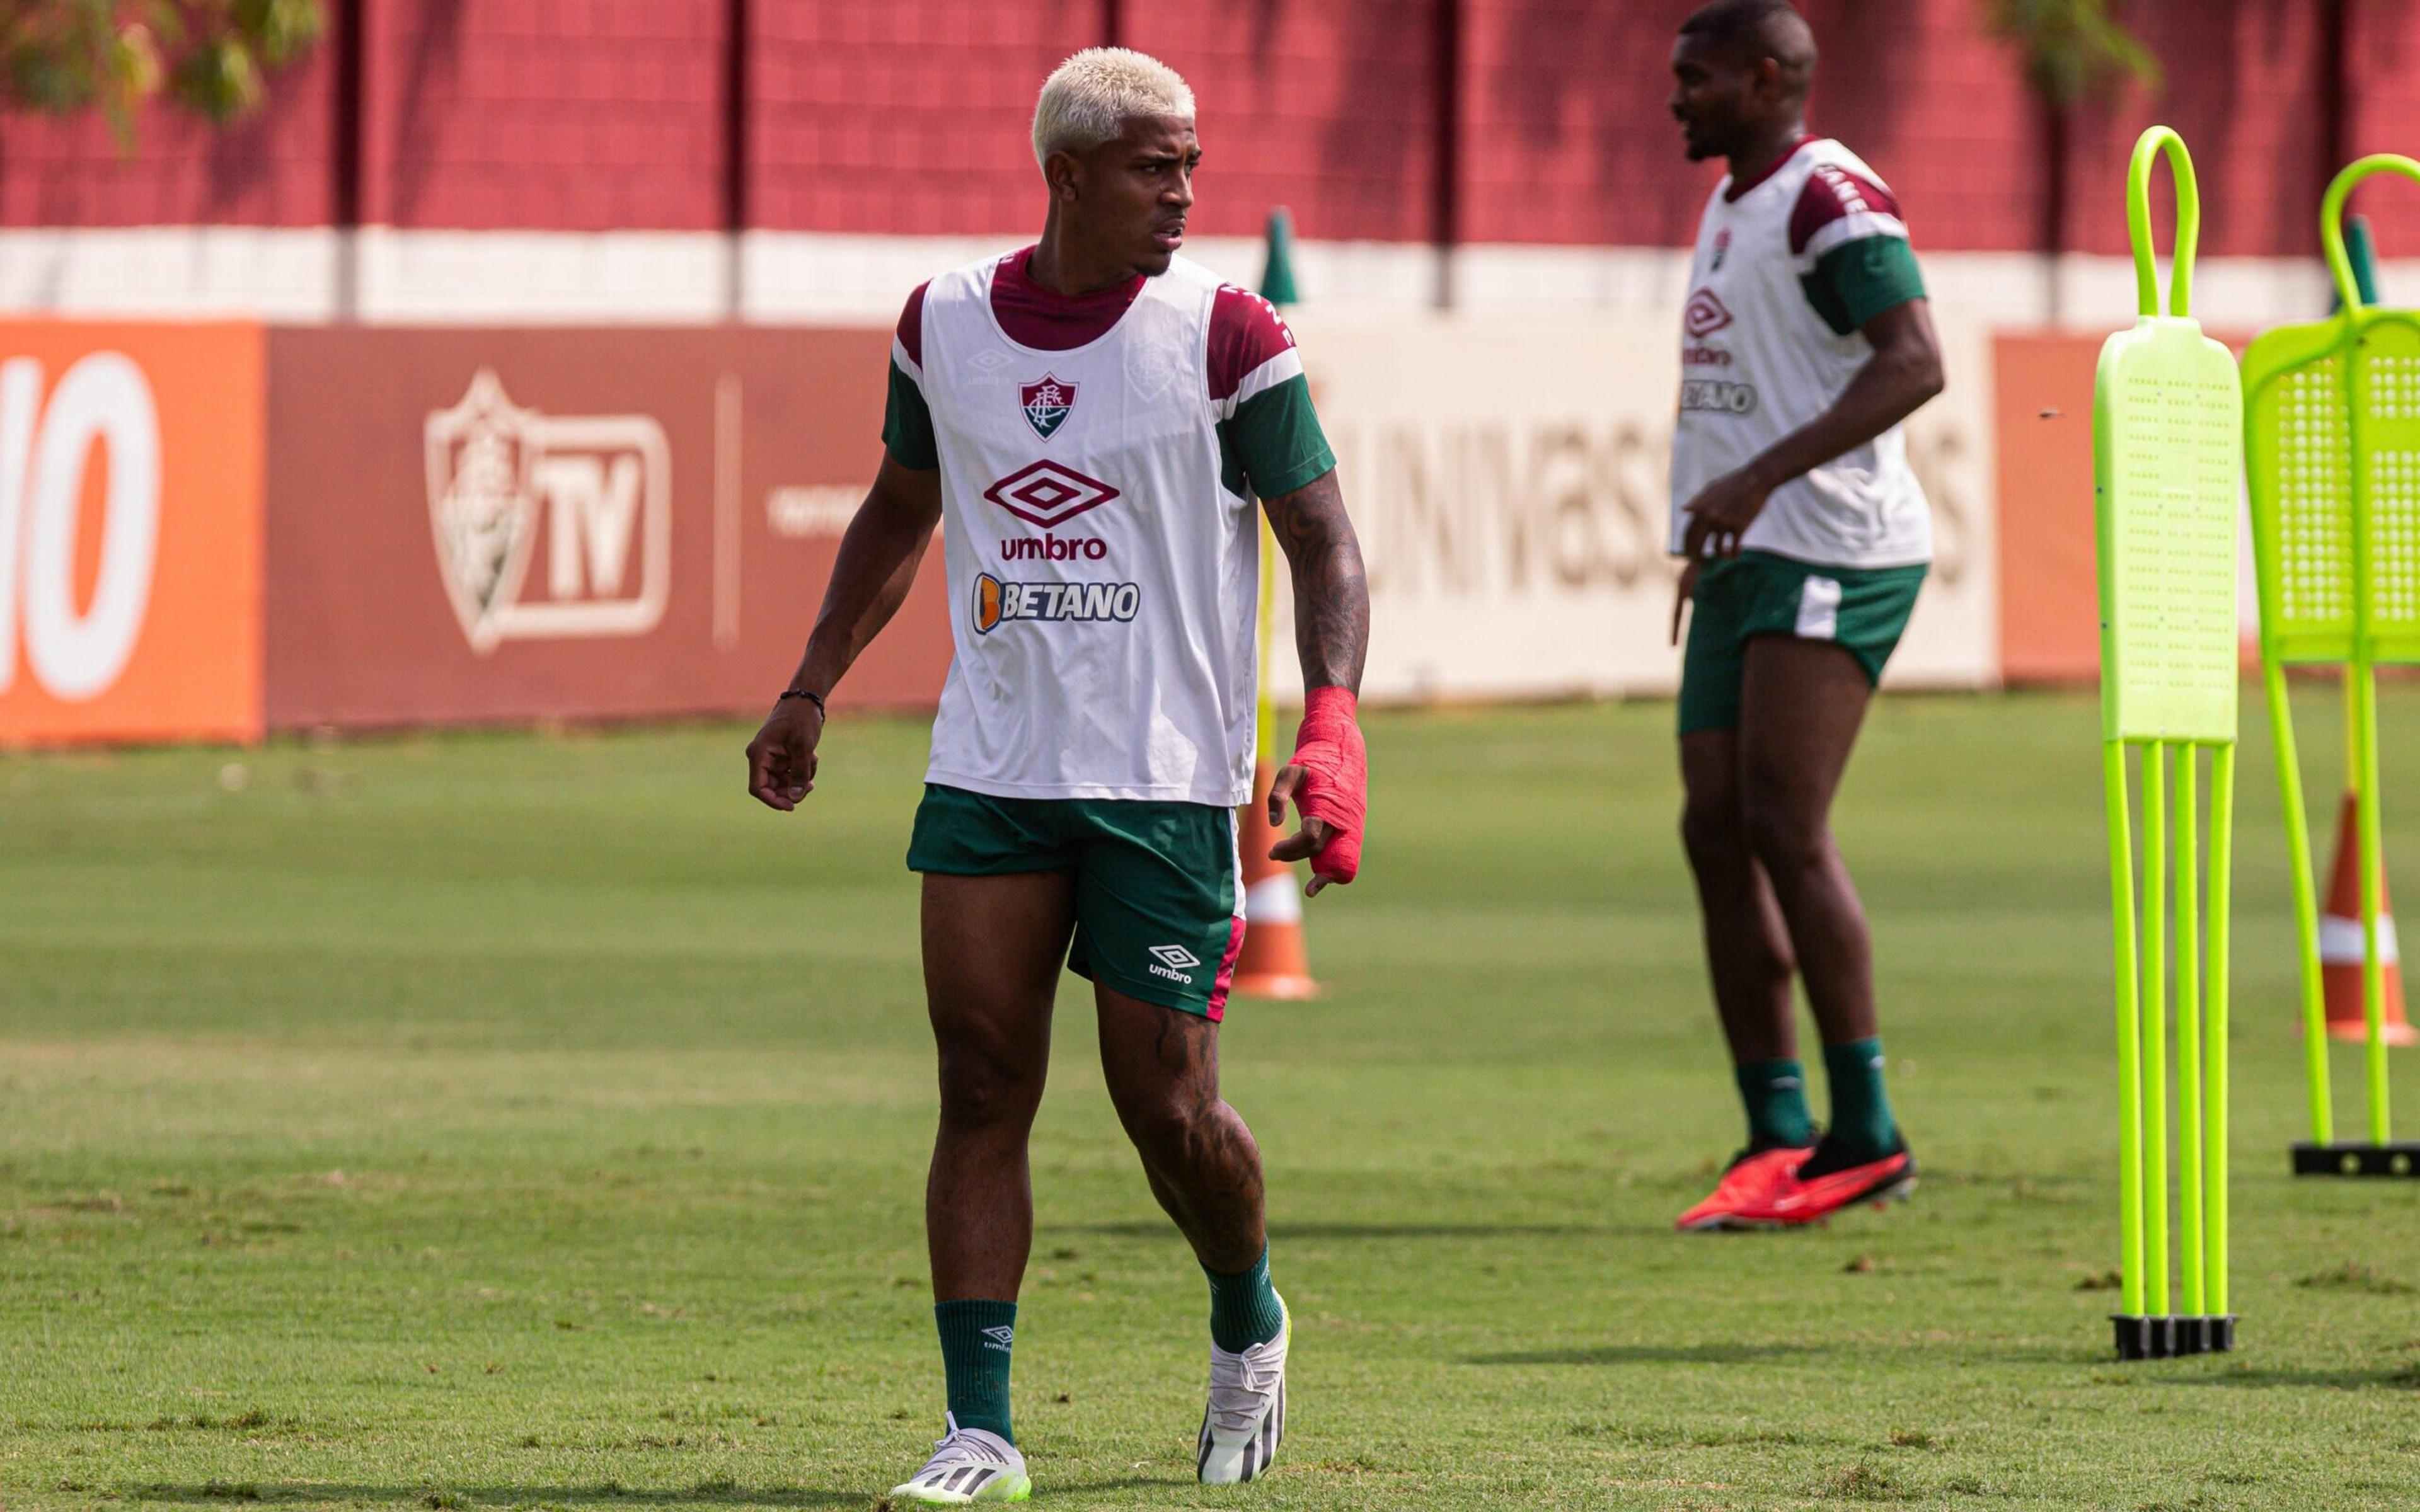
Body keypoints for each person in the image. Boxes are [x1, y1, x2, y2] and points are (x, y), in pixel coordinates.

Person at [744, 47, 1369, 1503]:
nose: (1186, 191)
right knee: (979, 1086)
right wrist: (810, 683)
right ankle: (981, 1431)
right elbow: (902, 508)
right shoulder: (944, 324)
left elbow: (1323, 539)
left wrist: (1330, 723)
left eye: (1194, 165)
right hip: (993, 767)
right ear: (1070, 173)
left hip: (1163, 779)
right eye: (1160, 166)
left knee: (1169, 1112)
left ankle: (1246, 1319)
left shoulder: (1225, 333)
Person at [1661, 0, 1945, 1231]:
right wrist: (1714, 523)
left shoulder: (1830, 196)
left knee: (1785, 823)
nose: (1678, 97)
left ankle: (1868, 1133)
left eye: (1700, 77)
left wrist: (1759, 478)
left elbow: (1915, 358)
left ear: (1773, 76)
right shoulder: (1735, 196)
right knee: (1715, 829)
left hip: (1832, 545)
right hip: (1745, 555)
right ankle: (1778, 1130)